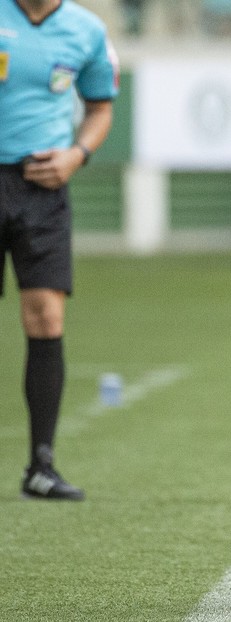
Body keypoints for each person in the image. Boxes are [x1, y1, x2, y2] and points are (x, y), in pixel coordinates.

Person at [1, 0, 118, 501]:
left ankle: (41, 467)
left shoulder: (86, 30)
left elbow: (100, 108)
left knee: (47, 317)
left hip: (43, 189)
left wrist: (77, 154)